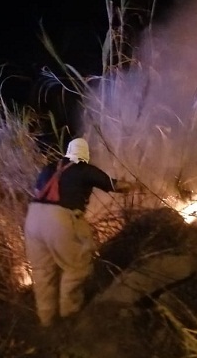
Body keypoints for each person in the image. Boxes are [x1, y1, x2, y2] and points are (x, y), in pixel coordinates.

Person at [24, 137, 135, 328]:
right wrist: (135, 186)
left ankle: (47, 323)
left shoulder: (48, 168)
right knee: (77, 267)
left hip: (33, 218)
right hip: (59, 218)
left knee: (43, 272)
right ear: (84, 154)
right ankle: (69, 317)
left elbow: (37, 190)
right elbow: (115, 185)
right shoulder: (84, 169)